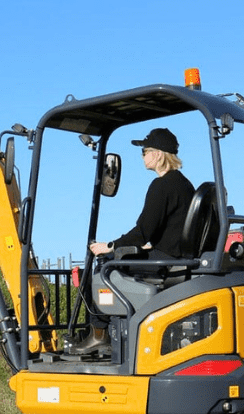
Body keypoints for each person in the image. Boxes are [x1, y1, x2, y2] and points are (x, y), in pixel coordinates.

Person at [69, 127, 195, 356]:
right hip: (177, 256)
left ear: (157, 154)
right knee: (119, 257)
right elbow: (171, 228)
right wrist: (149, 245)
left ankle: (99, 334)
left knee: (103, 266)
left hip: (166, 262)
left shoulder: (162, 185)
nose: (142, 156)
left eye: (145, 151)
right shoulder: (185, 185)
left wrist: (110, 246)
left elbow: (143, 231)